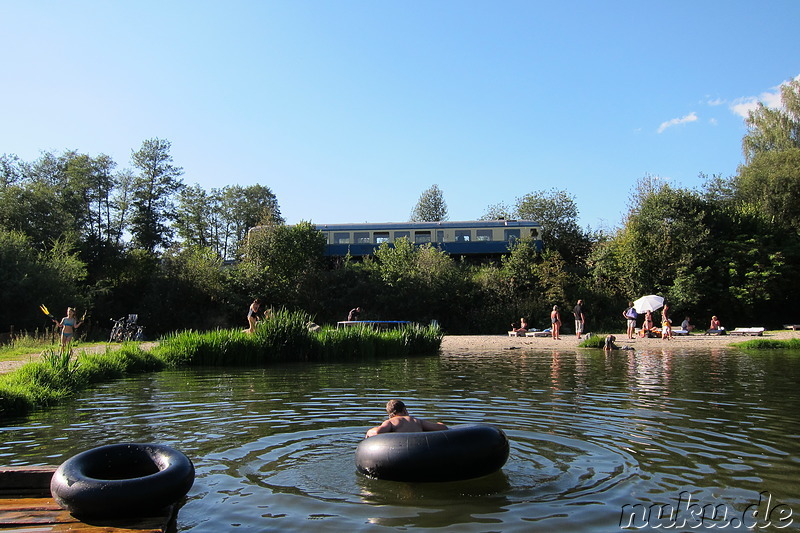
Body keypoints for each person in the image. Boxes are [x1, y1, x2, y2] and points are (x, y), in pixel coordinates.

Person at [365, 399, 448, 438]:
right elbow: (443, 428)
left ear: (389, 414)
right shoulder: (416, 420)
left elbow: (377, 432)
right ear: (404, 410)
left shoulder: (391, 422)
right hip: (420, 450)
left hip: (399, 452)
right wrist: (440, 423)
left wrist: (369, 431)